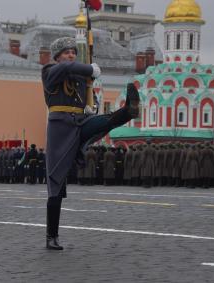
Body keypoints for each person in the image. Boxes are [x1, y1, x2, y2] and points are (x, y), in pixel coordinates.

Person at [42, 36, 139, 250]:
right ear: (57, 56)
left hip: (79, 122)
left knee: (102, 122)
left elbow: (89, 100)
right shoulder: (49, 71)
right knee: (55, 183)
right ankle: (52, 236)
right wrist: (89, 69)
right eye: (66, 52)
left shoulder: (79, 77)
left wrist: (91, 99)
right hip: (60, 129)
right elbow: (67, 69)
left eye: (73, 52)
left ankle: (128, 111)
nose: (71, 55)